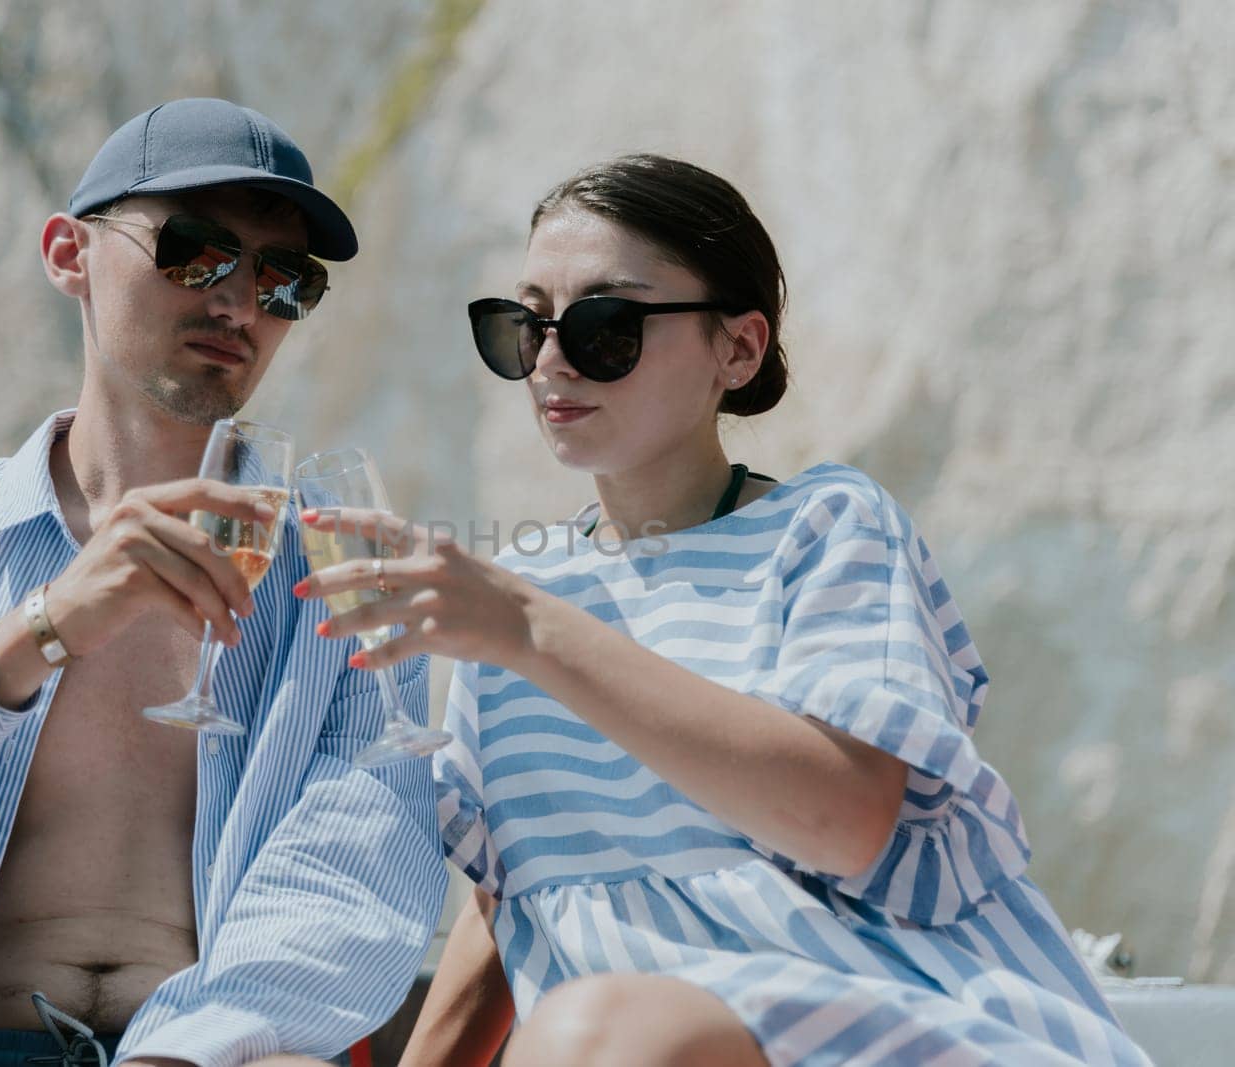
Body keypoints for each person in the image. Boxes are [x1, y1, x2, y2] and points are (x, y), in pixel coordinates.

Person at [297, 154, 1151, 1065]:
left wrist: (534, 630)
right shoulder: (511, 591)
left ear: (737, 349)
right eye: (528, 322)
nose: (550, 360)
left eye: (604, 324)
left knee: (596, 1031)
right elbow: (511, 904)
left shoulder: (823, 527)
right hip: (613, 1043)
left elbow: (846, 818)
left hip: (879, 1020)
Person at [0, 98, 446, 1067]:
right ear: (69, 254)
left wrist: (185, 1049)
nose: (238, 302)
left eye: (283, 280)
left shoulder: (336, 559)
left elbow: (354, 874)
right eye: (196, 249)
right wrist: (37, 631)